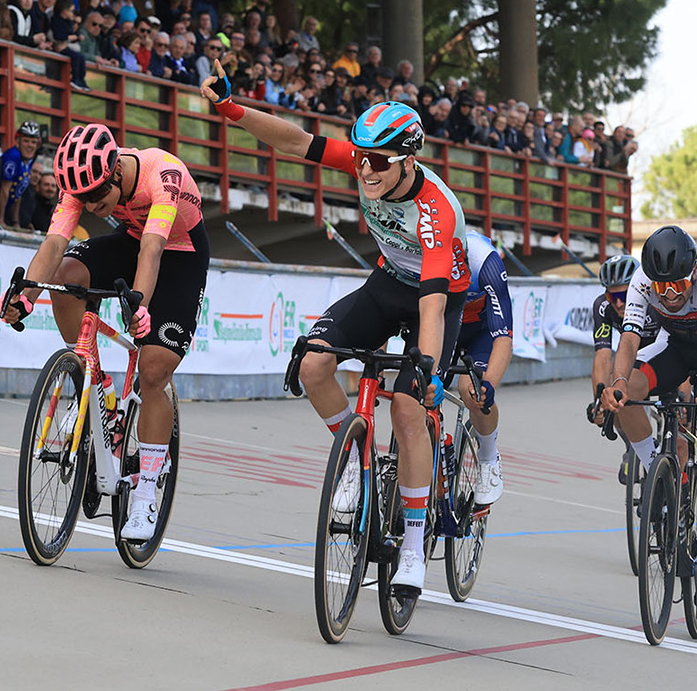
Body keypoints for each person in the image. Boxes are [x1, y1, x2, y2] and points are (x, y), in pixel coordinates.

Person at [201, 63, 470, 594]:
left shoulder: (435, 210)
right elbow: (296, 141)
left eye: (376, 162)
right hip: (388, 281)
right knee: (313, 363)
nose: (364, 171)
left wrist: (428, 371)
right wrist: (232, 110)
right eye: (360, 158)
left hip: (436, 297)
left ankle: (413, 546)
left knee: (408, 408)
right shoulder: (370, 159)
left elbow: (434, 309)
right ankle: (353, 457)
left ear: (406, 159)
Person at [0, 123, 208, 542]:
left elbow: (153, 252)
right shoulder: (81, 183)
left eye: (99, 195)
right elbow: (54, 243)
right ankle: (97, 383)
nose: (93, 204)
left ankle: (146, 491)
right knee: (66, 277)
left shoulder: (161, 175)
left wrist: (140, 305)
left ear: (115, 171)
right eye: (85, 197)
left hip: (179, 251)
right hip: (132, 238)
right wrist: (26, 295)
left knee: (153, 371)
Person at [601, 225, 697, 620]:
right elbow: (628, 341)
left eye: (678, 284)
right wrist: (614, 384)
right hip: (674, 346)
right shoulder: (642, 282)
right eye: (662, 288)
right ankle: (655, 472)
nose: (671, 294)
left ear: (693, 272)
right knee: (626, 391)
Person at [588, 254, 661, 482]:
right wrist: (599, 400)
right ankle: (632, 445)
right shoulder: (603, 307)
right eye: (612, 296)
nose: (618, 303)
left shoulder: (656, 300)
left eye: (623, 295)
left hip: (663, 359)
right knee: (614, 398)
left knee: (681, 431)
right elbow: (602, 355)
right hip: (631, 360)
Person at [456, 229, 511, 505]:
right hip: (444, 323)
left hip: (481, 331)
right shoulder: (417, 253)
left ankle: (489, 458)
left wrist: (488, 383)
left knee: (471, 390)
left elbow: (503, 338)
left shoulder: (485, 261)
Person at [0, 120, 41, 227]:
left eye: (33, 142)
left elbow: (18, 193)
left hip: (9, 212)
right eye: (26, 141)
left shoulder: (28, 160)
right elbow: (4, 190)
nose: (30, 145)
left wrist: (16, 222)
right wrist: (0, 220)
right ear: (18, 141)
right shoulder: (13, 157)